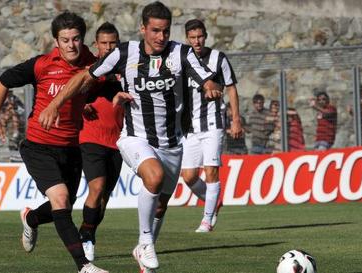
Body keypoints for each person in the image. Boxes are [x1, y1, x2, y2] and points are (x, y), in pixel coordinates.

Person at [38, 2, 241, 272]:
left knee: (161, 205)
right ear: (143, 28)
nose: (161, 37)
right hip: (135, 137)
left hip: (172, 143)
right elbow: (84, 77)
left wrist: (211, 86)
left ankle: (143, 253)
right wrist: (55, 104)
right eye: (155, 30)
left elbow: (207, 78)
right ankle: (145, 242)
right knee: (153, 177)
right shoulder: (125, 53)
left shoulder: (181, 53)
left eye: (166, 31)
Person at [0, 10, 108, 273]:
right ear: (56, 41)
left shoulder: (93, 64)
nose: (71, 45)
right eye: (65, 40)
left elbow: (99, 90)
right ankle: (84, 267)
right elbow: (4, 81)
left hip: (72, 148)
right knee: (61, 199)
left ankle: (30, 218)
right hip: (39, 146)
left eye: (75, 39)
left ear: (82, 39)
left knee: (60, 207)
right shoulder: (42, 64)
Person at [180, 19, 242, 233]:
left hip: (213, 123)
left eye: (200, 37)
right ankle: (213, 201)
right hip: (189, 127)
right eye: (192, 37)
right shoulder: (183, 59)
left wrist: (236, 119)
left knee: (211, 171)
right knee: (188, 176)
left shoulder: (218, 58)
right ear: (187, 38)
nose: (197, 41)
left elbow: (231, 88)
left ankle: (207, 221)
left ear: (205, 36)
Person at [78, 22, 124, 262]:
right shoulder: (90, 69)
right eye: (104, 43)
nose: (108, 47)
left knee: (103, 199)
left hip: (118, 141)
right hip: (91, 138)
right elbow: (71, 91)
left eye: (112, 43)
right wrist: (81, 103)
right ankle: (86, 239)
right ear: (96, 45)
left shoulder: (127, 68)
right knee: (95, 189)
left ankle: (88, 231)